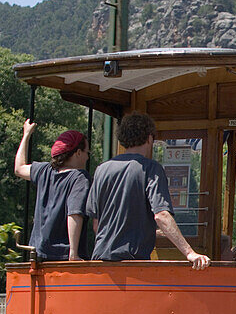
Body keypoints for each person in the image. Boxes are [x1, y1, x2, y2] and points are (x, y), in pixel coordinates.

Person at [85, 112, 209, 270]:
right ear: (150, 138)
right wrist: (189, 252)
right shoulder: (151, 169)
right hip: (132, 262)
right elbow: (161, 215)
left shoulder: (102, 170)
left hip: (100, 259)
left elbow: (96, 224)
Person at [13, 121, 91, 261]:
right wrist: (73, 254)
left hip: (37, 253)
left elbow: (19, 168)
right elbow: (74, 213)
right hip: (62, 257)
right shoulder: (79, 178)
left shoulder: (44, 171)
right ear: (78, 153)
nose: (87, 157)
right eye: (87, 152)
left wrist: (26, 135)